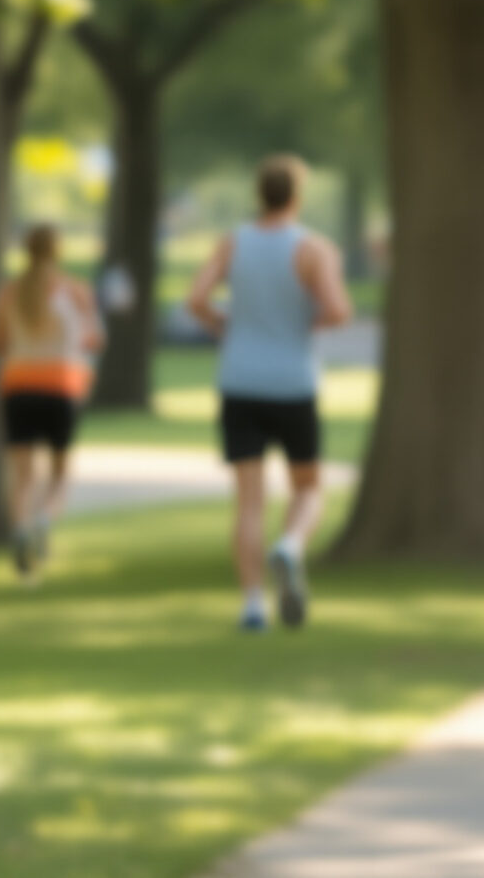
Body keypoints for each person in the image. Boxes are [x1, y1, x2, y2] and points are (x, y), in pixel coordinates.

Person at [187, 155, 353, 632]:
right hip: (293, 383)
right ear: (296, 196)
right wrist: (304, 321)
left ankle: (253, 605)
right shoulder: (312, 249)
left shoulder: (232, 243)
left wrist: (225, 326)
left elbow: (196, 299)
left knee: (249, 500)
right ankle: (292, 545)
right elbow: (339, 310)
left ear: (259, 193)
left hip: (239, 381)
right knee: (307, 488)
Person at [0, 224, 103, 579]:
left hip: (18, 387)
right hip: (62, 388)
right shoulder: (74, 291)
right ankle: (43, 519)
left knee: (22, 475)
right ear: (58, 251)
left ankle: (21, 529)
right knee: (59, 474)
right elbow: (95, 339)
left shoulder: (10, 292)